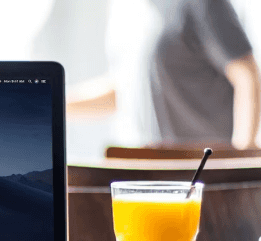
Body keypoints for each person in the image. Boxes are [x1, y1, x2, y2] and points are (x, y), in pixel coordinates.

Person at [68, 0, 261, 150]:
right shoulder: (125, 13)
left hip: (203, 168)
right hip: (147, 165)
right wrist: (52, 102)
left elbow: (246, 76)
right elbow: (124, 90)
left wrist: (241, 159)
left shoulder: (201, 3)